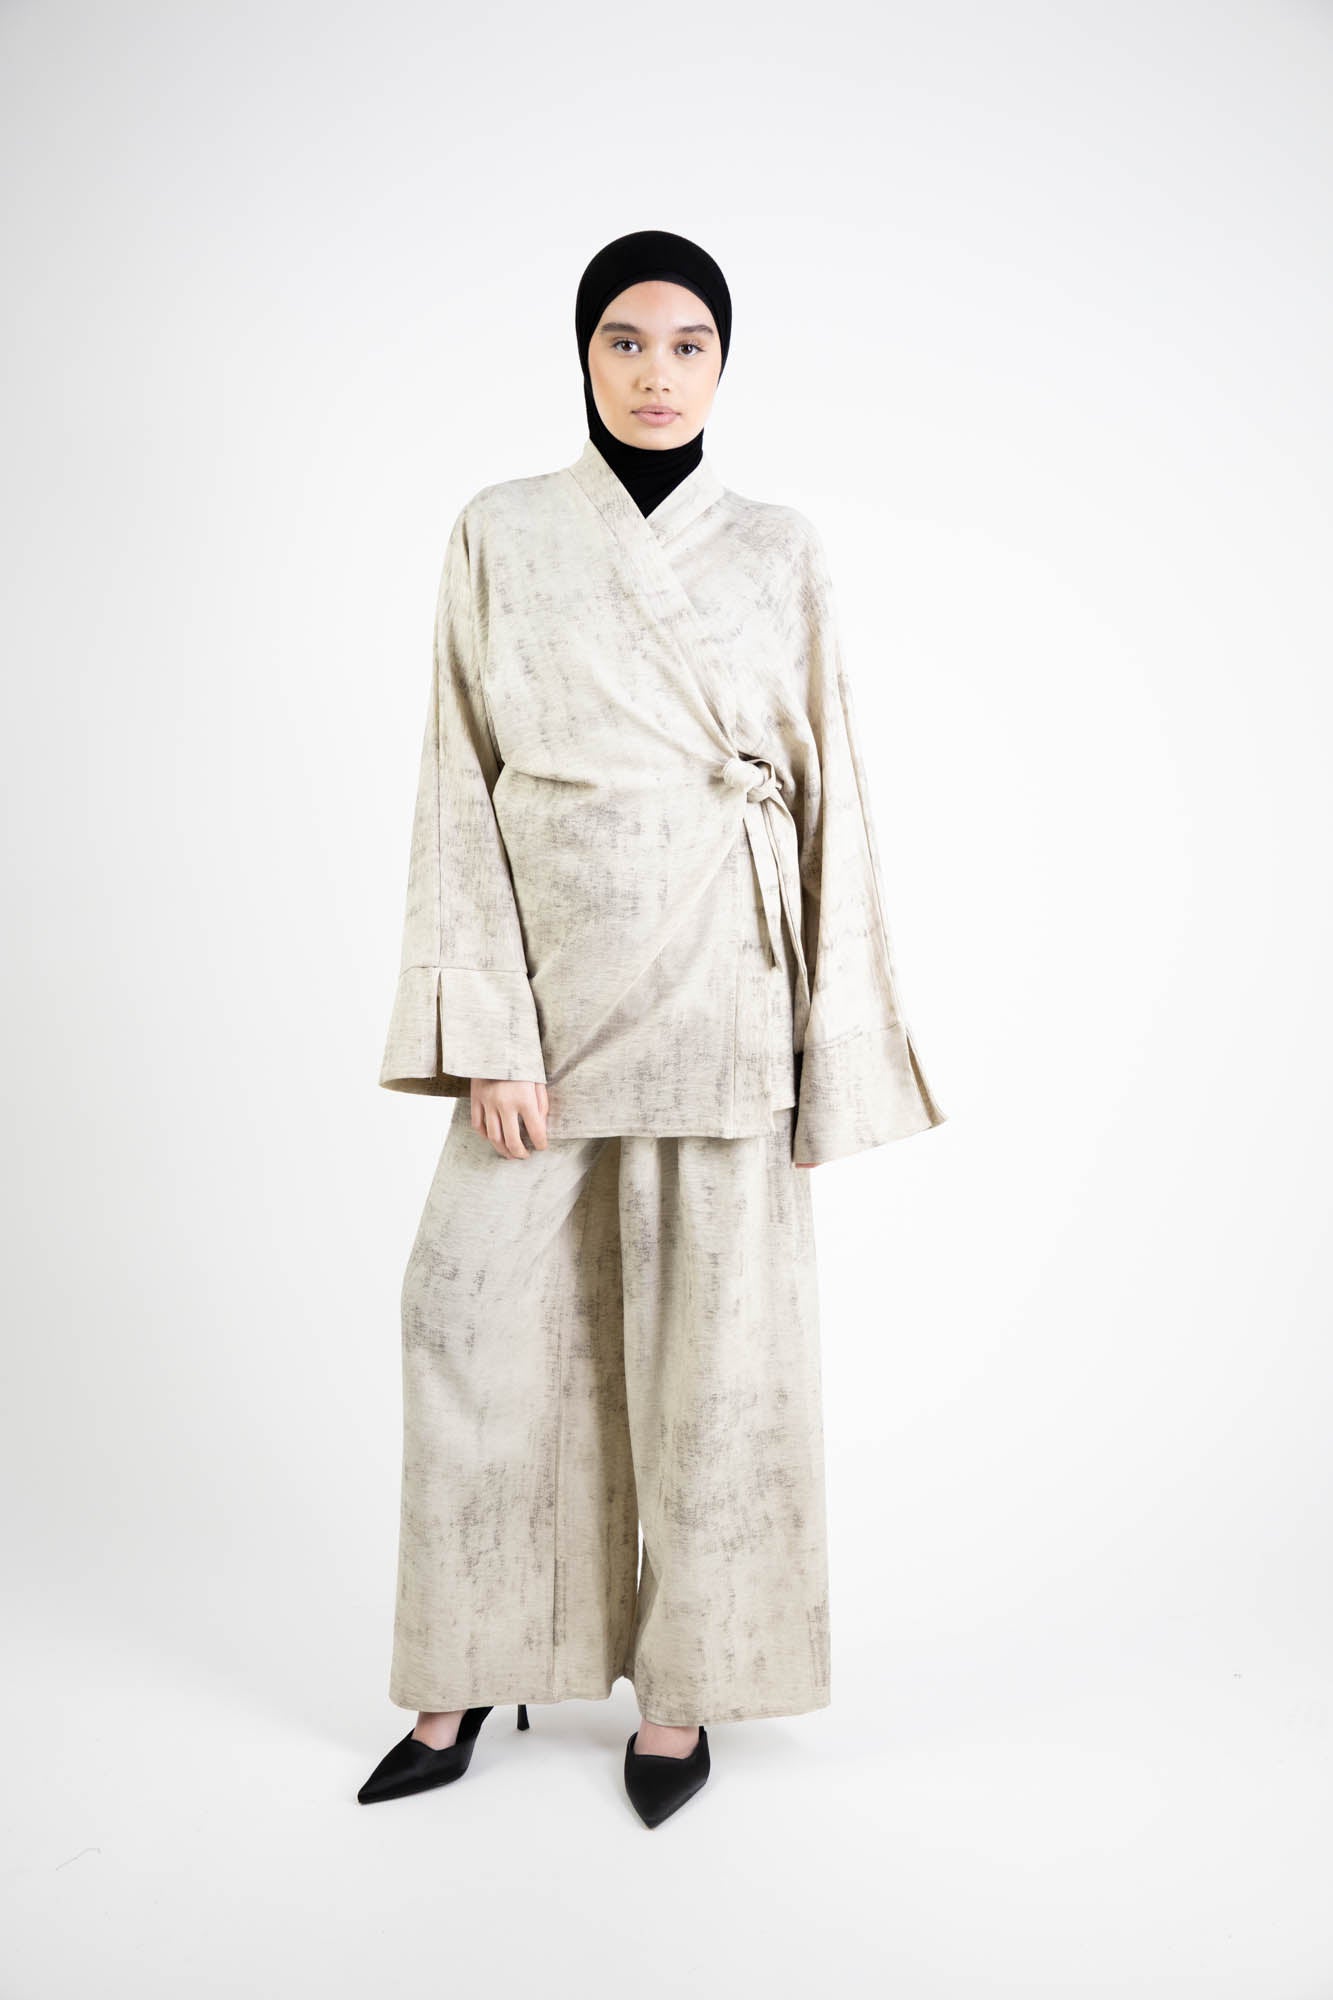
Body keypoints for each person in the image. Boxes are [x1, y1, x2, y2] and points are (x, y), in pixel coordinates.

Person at [356, 229, 947, 1829]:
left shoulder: (778, 549)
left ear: (723, 365)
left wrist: (827, 1062)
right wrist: (488, 1029)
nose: (656, 372)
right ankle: (463, 1664)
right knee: (463, 1318)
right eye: (626, 340)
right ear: (583, 354)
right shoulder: (499, 531)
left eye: (689, 345)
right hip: (548, 1006)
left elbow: (831, 791)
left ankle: (683, 1690)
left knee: (714, 1355)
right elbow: (455, 779)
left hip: (724, 994)